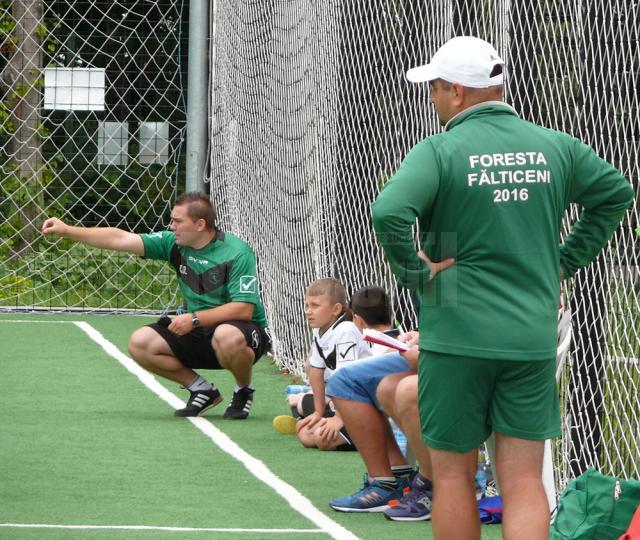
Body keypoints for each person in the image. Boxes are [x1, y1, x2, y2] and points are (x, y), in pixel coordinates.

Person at [371, 36, 634, 540]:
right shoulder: (554, 144)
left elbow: (388, 211)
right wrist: (564, 263)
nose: (432, 99)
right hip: (528, 335)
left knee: (452, 477)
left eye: (435, 89)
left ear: (456, 92)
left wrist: (415, 273)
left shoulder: (441, 149)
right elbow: (615, 194)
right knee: (522, 481)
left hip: (455, 332)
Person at [42, 192, 270, 420]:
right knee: (140, 342)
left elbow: (243, 309)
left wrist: (193, 318)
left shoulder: (237, 252)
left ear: (200, 224)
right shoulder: (173, 244)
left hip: (241, 331)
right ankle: (201, 389)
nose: (172, 227)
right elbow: (121, 239)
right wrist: (68, 230)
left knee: (226, 335)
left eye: (178, 221)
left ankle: (243, 390)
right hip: (198, 328)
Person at [326, 289, 433, 517]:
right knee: (349, 381)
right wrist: (422, 337)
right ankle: (393, 479)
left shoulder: (456, 267)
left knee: (400, 389)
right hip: (438, 348)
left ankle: (432, 482)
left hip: (466, 356)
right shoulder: (432, 270)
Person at [276, 278, 372, 450]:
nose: (308, 311)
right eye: (307, 305)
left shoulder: (346, 330)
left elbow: (347, 378)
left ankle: (370, 435)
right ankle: (324, 419)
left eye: (315, 306)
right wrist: (318, 412)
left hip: (365, 406)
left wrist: (339, 419)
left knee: (321, 439)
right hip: (341, 403)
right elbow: (315, 370)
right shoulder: (319, 330)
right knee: (305, 435)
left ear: (336, 309)